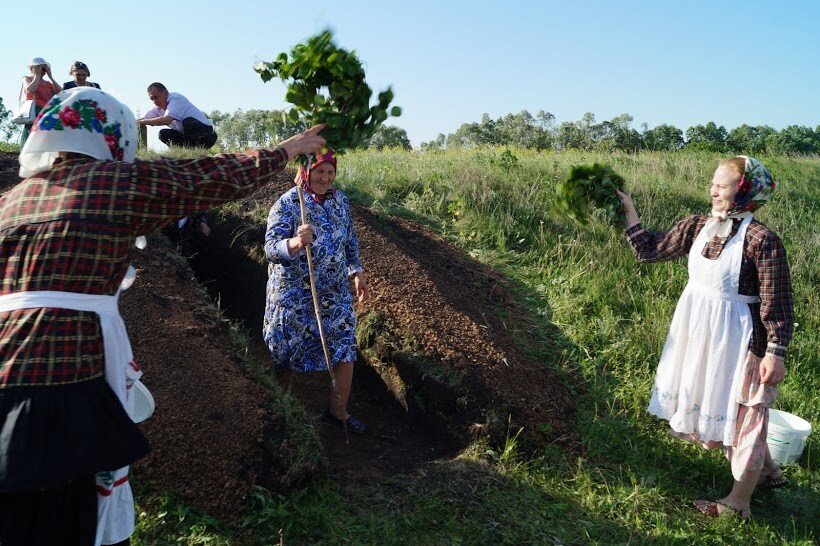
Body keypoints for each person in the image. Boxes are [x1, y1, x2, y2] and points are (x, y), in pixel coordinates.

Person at [0, 87, 325, 545]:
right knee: (63, 513)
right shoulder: (112, 184)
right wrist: (284, 150)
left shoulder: (12, 201)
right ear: (110, 137)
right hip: (64, 380)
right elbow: (203, 178)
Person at [617, 156, 793, 520]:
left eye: (723, 186)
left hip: (742, 341)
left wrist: (775, 352)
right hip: (701, 333)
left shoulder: (762, 240)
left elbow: (777, 301)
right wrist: (629, 211)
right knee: (734, 409)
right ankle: (768, 472)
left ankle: (738, 504)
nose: (713, 190)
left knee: (748, 414)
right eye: (713, 183)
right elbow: (649, 250)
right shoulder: (698, 226)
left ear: (745, 193)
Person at [263, 151, 370, 434]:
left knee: (345, 345)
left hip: (334, 294)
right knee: (285, 352)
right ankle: (280, 409)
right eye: (320, 171)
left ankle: (339, 412)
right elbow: (270, 248)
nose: (325, 178)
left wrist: (356, 272)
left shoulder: (339, 200)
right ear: (307, 171)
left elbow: (349, 239)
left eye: (330, 172)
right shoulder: (288, 203)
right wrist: (296, 243)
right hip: (296, 295)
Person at [137, 82, 217, 148]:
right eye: (152, 99)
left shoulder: (176, 98)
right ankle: (183, 152)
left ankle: (191, 150)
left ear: (165, 93)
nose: (154, 101)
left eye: (156, 97)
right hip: (188, 137)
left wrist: (144, 122)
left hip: (208, 136)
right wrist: (132, 123)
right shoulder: (156, 108)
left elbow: (167, 120)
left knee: (188, 121)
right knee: (163, 134)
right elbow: (144, 119)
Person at [19, 57, 62, 145]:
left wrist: (51, 77)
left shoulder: (48, 83)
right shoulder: (27, 78)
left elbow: (60, 92)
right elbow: (31, 90)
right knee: (32, 139)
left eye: (44, 68)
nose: (42, 70)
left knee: (45, 140)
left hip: (47, 113)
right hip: (34, 113)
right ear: (32, 68)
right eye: (39, 67)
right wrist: (37, 75)